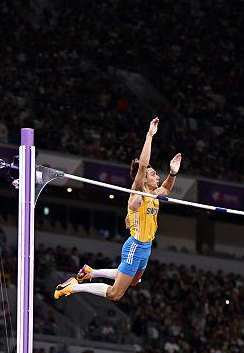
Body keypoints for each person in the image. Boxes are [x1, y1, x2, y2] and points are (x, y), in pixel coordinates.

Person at [54, 117, 181, 302]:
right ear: (144, 179)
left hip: (146, 247)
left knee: (135, 281)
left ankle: (91, 272)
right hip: (135, 246)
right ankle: (73, 287)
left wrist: (173, 173)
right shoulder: (138, 191)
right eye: (154, 174)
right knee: (115, 293)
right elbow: (143, 166)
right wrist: (150, 135)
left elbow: (168, 188)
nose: (157, 177)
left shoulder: (155, 194)